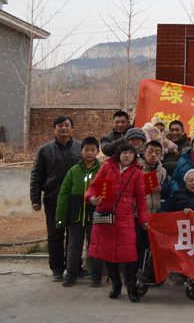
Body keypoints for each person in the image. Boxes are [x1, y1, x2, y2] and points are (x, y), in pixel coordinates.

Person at [85, 143, 149, 302]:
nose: (127, 155)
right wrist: (91, 198)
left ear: (134, 156)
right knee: (108, 253)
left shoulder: (137, 172)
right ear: (118, 154)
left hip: (125, 218)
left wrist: (143, 220)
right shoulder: (107, 166)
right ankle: (116, 285)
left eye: (130, 153)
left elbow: (141, 200)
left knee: (129, 255)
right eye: (124, 152)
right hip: (105, 217)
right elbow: (93, 186)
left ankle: (131, 287)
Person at [30, 116, 83, 282]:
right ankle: (57, 268)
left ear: (72, 128)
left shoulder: (80, 148)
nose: (64, 128)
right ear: (54, 129)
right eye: (60, 125)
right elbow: (36, 175)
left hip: (76, 200)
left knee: (74, 236)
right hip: (54, 199)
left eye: (67, 125)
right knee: (55, 235)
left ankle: (74, 267)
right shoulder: (44, 150)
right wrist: (35, 199)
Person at [55, 136, 104, 287]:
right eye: (86, 150)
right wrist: (60, 218)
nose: (89, 153)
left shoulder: (103, 170)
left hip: (95, 216)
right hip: (75, 215)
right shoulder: (73, 171)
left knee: (95, 245)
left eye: (93, 150)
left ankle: (96, 274)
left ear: (97, 151)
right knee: (73, 245)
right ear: (81, 151)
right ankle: (71, 273)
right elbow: (63, 195)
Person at [136, 140, 169, 271]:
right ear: (144, 153)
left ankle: (148, 271)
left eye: (157, 153)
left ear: (161, 156)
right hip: (137, 214)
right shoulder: (136, 168)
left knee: (150, 244)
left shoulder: (163, 171)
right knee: (138, 244)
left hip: (154, 214)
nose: (154, 155)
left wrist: (162, 188)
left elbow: (167, 190)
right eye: (150, 152)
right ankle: (136, 271)